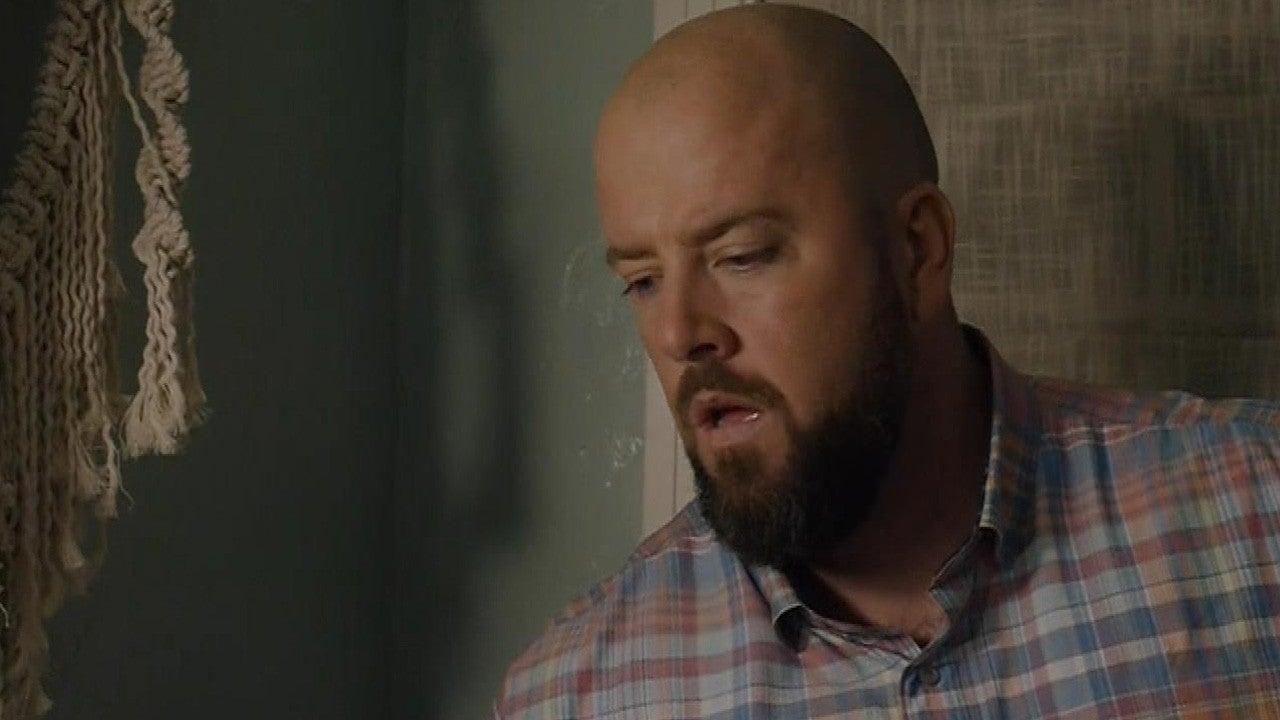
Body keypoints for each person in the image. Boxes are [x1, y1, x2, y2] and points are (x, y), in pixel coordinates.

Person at [495, 5, 1280, 718]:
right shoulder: (574, 697)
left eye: (742, 255)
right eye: (642, 280)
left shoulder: (1256, 521)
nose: (677, 334)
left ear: (916, 249)